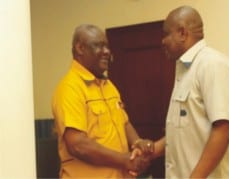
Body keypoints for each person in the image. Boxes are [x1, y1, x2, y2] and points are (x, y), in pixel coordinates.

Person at [135, 5, 229, 178]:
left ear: (183, 33)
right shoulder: (186, 71)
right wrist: (153, 150)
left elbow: (223, 128)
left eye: (166, 34)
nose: (162, 41)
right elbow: (185, 130)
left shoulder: (212, 65)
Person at [52, 24, 154, 178]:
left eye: (106, 46)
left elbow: (124, 122)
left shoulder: (108, 86)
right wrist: (124, 160)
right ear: (80, 48)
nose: (106, 51)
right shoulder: (69, 88)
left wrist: (137, 142)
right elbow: (78, 145)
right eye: (98, 46)